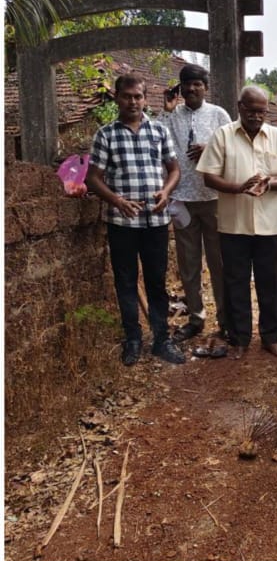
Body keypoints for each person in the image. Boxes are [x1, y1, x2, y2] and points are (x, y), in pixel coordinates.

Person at [86, 74, 184, 366]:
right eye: (127, 96)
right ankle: (133, 340)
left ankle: (162, 339)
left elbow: (174, 169)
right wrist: (117, 200)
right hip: (122, 223)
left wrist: (166, 192)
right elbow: (93, 178)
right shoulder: (106, 135)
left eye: (138, 96)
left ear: (145, 98)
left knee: (156, 281)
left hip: (156, 221)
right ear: (117, 98)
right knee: (126, 282)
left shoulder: (159, 131)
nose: (133, 102)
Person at [196, 85, 277, 358]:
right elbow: (209, 176)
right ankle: (239, 338)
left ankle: (270, 337)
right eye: (251, 110)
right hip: (233, 224)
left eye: (261, 111)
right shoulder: (223, 135)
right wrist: (238, 188)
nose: (256, 116)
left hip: (270, 224)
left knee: (270, 282)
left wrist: (269, 183)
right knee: (235, 282)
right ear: (240, 107)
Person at [156, 64, 232, 342]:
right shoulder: (170, 116)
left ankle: (225, 319)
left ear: (205, 87)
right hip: (182, 200)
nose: (191, 88)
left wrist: (210, 149)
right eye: (186, 84)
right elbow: (157, 141)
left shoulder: (219, 115)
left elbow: (232, 149)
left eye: (197, 84)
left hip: (213, 198)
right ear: (180, 87)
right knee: (188, 265)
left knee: (219, 262)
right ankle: (196, 318)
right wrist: (166, 110)